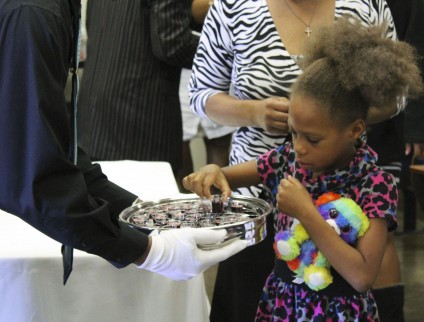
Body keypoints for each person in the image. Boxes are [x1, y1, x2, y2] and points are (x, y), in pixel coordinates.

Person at [184, 18, 423, 320]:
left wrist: (307, 213)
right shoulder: (289, 161)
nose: (299, 147)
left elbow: (361, 276)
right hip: (284, 308)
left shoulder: (374, 184)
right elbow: (228, 174)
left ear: (355, 130)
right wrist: (212, 171)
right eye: (294, 132)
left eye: (313, 139)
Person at [0, 0, 246, 284]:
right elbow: (32, 173)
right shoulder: (33, 13)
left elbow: (55, 151)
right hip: (138, 108)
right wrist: (151, 251)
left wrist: (147, 216)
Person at [369, 0, 424, 320]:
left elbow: (416, 48)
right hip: (323, 124)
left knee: (378, 231)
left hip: (382, 122)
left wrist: (417, 126)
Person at [77, 0, 198, 175]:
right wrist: (221, 50)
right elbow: (172, 44)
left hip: (94, 113)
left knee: (101, 196)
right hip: (140, 118)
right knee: (143, 198)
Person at [176, 0, 236, 192]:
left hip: (226, 57)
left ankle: (218, 207)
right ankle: (184, 207)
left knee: (219, 140)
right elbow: (192, 11)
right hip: (183, 60)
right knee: (181, 141)